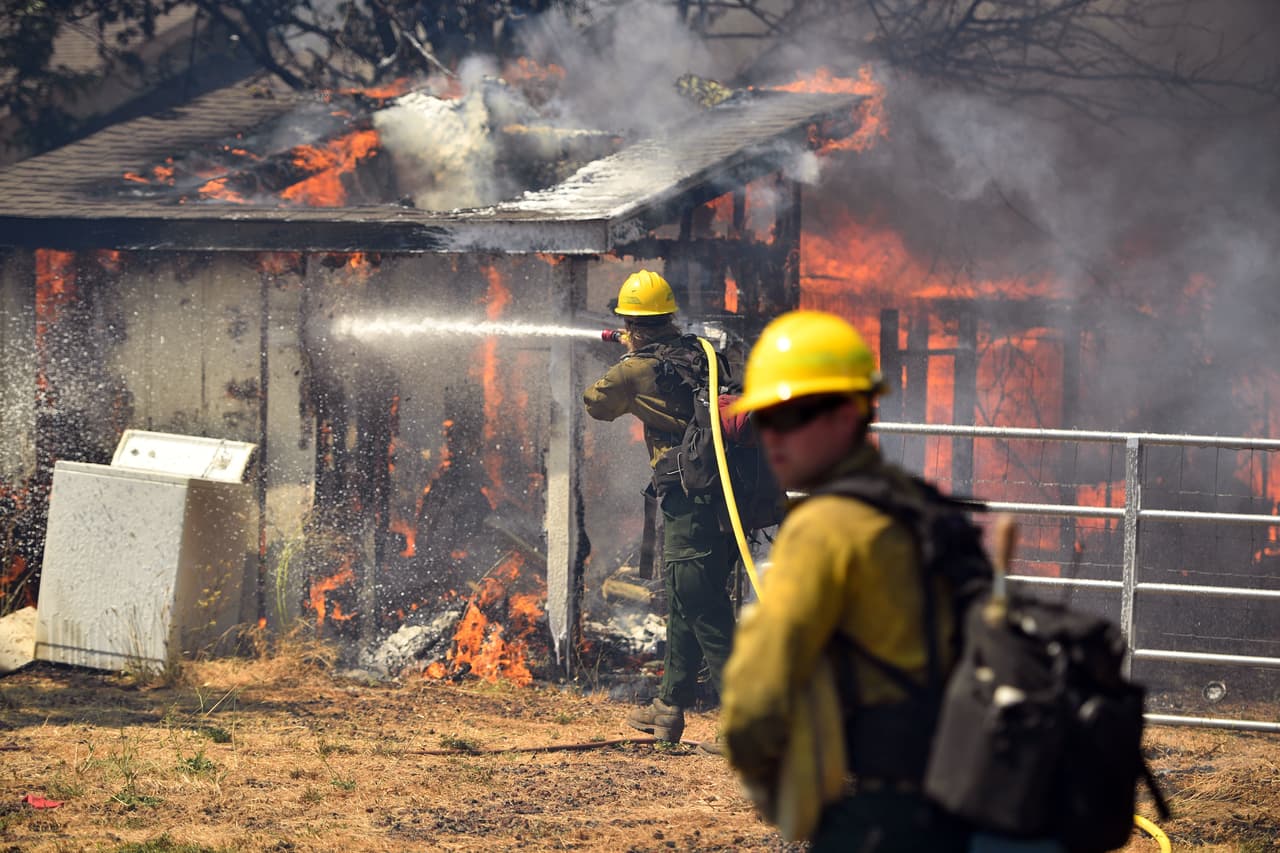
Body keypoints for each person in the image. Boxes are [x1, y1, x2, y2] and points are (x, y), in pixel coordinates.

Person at [719, 310, 971, 852]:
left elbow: (759, 693)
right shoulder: (919, 505)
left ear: (846, 416)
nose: (773, 439)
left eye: (791, 417)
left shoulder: (824, 530)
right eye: (765, 420)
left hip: (875, 804)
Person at [583, 269, 735, 746]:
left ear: (629, 323)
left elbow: (596, 404)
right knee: (686, 598)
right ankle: (669, 707)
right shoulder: (699, 352)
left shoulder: (635, 368)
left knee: (702, 604)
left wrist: (627, 361)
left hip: (689, 499)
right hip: (726, 495)